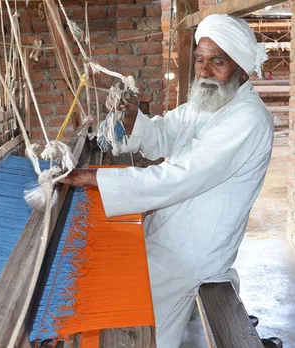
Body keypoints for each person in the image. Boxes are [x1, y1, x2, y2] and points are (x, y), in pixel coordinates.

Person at [59, 14, 274, 347]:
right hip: (168, 238)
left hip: (191, 257)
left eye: (217, 62)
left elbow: (180, 178)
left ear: (241, 70)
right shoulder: (207, 102)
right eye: (200, 61)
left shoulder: (247, 119)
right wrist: (132, 118)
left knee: (139, 332)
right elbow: (162, 135)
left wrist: (93, 177)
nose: (203, 71)